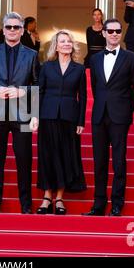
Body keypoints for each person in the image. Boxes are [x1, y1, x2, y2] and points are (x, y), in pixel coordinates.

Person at [0, 12, 39, 214]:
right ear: (3, 30)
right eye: (8, 27)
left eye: (16, 27)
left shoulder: (32, 55)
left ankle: (26, 205)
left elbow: (39, 85)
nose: (12, 30)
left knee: (24, 160)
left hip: (22, 113)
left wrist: (23, 91)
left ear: (22, 30)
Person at [83, 18, 134, 217]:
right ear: (104, 33)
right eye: (111, 31)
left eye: (118, 31)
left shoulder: (132, 58)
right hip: (99, 115)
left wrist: (126, 108)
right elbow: (95, 86)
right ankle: (98, 205)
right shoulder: (95, 58)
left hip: (120, 115)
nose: (115, 34)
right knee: (99, 161)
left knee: (118, 162)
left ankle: (117, 204)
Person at [36, 29, 87, 215]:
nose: (66, 44)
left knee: (66, 156)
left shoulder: (79, 69)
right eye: (62, 41)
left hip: (69, 118)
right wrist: (35, 116)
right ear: (56, 46)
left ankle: (59, 198)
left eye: (69, 41)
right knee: (48, 156)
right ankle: (46, 196)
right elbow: (40, 92)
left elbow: (83, 96)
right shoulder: (46, 67)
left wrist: (81, 121)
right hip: (47, 116)